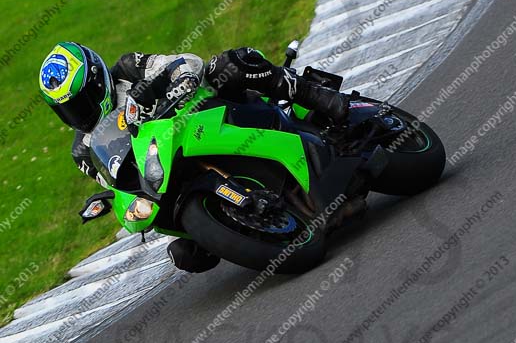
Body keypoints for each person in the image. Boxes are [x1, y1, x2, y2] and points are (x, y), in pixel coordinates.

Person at [39, 42, 353, 272]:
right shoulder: (82, 149)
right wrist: (115, 198)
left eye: (80, 101)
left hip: (204, 115)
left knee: (230, 64)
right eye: (65, 109)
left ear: (97, 82)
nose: (77, 114)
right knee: (183, 252)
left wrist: (183, 79)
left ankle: (317, 96)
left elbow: (180, 61)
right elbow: (115, 178)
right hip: (164, 169)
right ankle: (227, 230)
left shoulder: (127, 68)